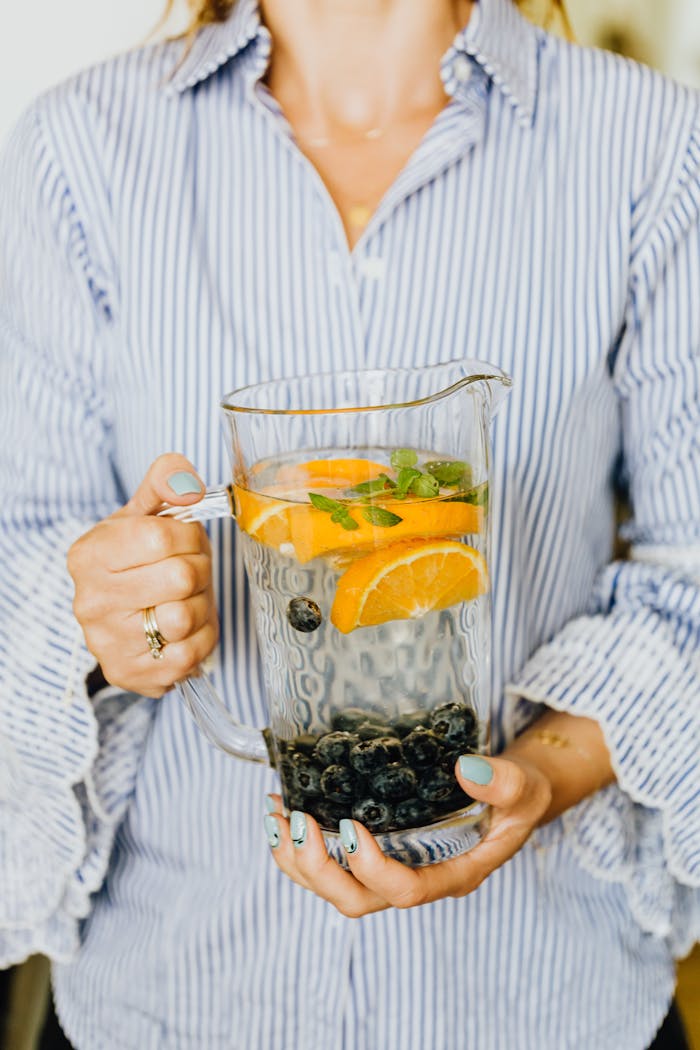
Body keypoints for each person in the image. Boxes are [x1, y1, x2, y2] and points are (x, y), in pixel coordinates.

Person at [0, 0, 698, 1046]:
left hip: (540, 1001)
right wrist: (92, 611)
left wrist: (541, 776)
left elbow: (687, 574)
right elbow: (24, 544)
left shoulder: (650, 145)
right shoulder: (78, 151)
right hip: (171, 995)